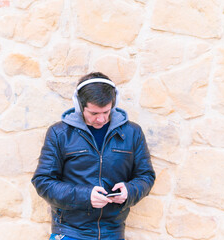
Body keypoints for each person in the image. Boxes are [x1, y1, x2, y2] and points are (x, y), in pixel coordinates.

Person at [31, 72, 156, 240]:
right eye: (94, 113)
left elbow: (146, 176)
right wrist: (85, 196)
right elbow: (43, 181)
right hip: (70, 231)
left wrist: (130, 191)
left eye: (106, 111)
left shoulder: (132, 133)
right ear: (79, 106)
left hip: (113, 232)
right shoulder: (59, 133)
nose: (101, 119)